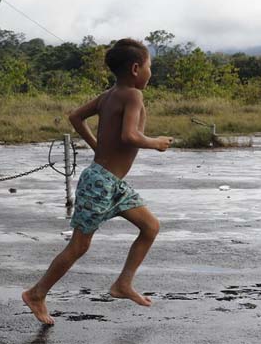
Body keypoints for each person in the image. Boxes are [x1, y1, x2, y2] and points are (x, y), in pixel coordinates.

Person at [22, 38, 174, 325]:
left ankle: (123, 284)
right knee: (79, 246)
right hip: (100, 183)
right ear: (135, 68)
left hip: (112, 184)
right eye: (150, 66)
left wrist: (97, 147)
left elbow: (76, 116)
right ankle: (36, 293)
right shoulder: (132, 95)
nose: (151, 72)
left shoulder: (110, 94)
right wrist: (154, 142)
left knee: (150, 226)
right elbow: (129, 136)